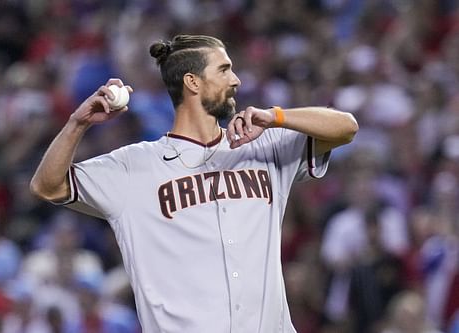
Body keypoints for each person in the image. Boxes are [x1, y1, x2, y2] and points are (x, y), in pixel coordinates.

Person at [30, 34, 358, 333]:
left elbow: (346, 128)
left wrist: (277, 117)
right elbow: (48, 185)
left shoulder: (262, 144)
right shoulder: (134, 166)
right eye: (224, 70)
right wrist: (78, 122)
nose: (236, 80)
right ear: (193, 82)